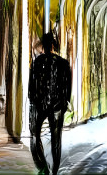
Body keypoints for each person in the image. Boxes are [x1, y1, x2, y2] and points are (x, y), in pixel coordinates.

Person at [28, 31, 72, 175]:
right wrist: (65, 102)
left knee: (34, 136)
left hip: (40, 105)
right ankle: (54, 171)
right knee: (56, 139)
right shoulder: (63, 63)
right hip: (57, 105)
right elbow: (67, 86)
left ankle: (43, 167)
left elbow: (31, 86)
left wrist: (33, 101)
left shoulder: (37, 62)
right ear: (53, 46)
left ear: (44, 47)